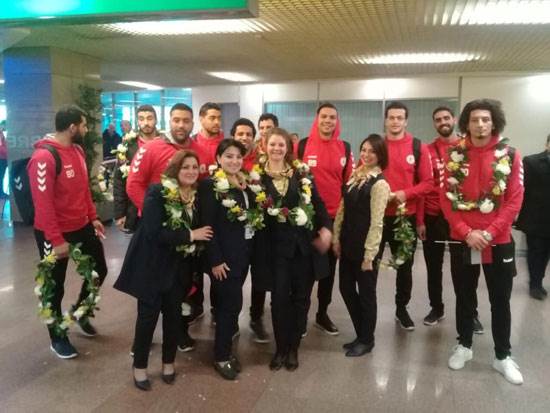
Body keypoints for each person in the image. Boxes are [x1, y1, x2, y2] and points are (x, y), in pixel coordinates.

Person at [114, 150, 213, 390]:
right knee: (147, 318)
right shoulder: (157, 192)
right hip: (153, 266)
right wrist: (191, 235)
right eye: (185, 167)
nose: (190, 171)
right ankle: (140, 367)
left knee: (173, 317)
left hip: (179, 268)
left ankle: (168, 363)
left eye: (194, 167)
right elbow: (153, 232)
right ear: (175, 169)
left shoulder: (196, 196)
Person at [441, 99, 524, 385]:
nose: (480, 125)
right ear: (466, 123)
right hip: (464, 239)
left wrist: (489, 232)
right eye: (474, 119)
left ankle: (503, 356)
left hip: (498, 241)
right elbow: (445, 199)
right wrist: (466, 232)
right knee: (464, 296)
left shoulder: (510, 155)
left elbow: (514, 200)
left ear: (494, 122)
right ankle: (464, 345)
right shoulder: (453, 154)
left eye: (485, 119)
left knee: (500, 299)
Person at [29, 104, 108, 359]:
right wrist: (56, 240)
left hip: (81, 226)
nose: (86, 129)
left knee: (99, 270)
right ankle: (57, 337)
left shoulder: (77, 150)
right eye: (84, 125)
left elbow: (83, 188)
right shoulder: (44, 157)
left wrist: (93, 217)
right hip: (54, 233)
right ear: (72, 127)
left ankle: (81, 313)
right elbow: (42, 205)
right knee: (54, 286)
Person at [257, 127, 332, 371]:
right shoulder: (257, 178)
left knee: (301, 299)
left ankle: (293, 349)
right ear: (264, 146)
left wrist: (327, 228)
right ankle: (280, 348)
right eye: (273, 144)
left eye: (282, 144)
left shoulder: (301, 174)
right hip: (274, 251)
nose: (277, 148)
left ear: (288, 148)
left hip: (303, 249)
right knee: (279, 300)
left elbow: (318, 204)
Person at [416, 107, 484, 333]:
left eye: (446, 118)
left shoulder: (469, 147)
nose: (443, 122)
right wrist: (420, 220)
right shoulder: (427, 150)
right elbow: (423, 186)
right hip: (433, 216)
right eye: (438, 120)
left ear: (454, 119)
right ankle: (436, 308)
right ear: (434, 123)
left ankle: (470, 313)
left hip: (462, 219)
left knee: (465, 269)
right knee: (433, 267)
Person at [198, 139, 260, 380]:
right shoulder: (211, 185)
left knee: (233, 305)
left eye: (238, 157)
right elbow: (207, 225)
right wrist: (215, 260)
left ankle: (226, 350)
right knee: (228, 305)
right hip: (223, 258)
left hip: (243, 254)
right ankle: (221, 356)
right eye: (229, 156)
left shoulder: (244, 183)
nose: (234, 161)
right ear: (218, 158)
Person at [296, 102, 353, 335]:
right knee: (304, 270)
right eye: (324, 116)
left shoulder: (345, 148)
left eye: (332, 117)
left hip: (333, 219)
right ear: (317, 119)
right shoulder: (302, 146)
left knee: (328, 272)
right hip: (306, 218)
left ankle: (322, 314)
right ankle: (300, 316)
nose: (328, 121)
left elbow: (348, 185)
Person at [376, 101, 433, 331]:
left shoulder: (418, 147)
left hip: (405, 218)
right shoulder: (377, 145)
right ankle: (368, 309)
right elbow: (363, 175)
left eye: (400, 118)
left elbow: (427, 183)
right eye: (391, 117)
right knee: (370, 263)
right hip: (377, 217)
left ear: (406, 121)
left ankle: (401, 309)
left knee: (404, 266)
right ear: (385, 120)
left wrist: (405, 194)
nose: (395, 121)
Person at [333, 134, 390, 357]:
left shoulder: (380, 184)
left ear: (380, 155)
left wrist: (370, 255)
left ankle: (367, 339)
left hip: (366, 248)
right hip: (348, 242)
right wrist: (336, 238)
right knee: (345, 288)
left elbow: (377, 222)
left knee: (366, 294)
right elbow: (342, 209)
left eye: (372, 151)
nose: (366, 154)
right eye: (364, 150)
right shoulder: (356, 176)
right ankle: (361, 333)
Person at [231, 118, 270, 343]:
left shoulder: (262, 161)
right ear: (233, 136)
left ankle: (256, 317)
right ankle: (229, 318)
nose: (244, 137)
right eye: (240, 134)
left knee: (260, 274)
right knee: (235, 275)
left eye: (248, 134)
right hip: (235, 229)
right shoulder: (229, 158)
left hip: (260, 228)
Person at [113, 105, 160, 233]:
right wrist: (120, 213)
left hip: (161, 205)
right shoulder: (128, 146)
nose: (146, 123)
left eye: (149, 118)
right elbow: (119, 181)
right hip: (136, 209)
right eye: (141, 119)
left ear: (156, 120)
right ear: (137, 121)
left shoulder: (165, 142)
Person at [516, 134, 550, 300]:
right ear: (547, 144)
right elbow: (521, 189)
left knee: (546, 254)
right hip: (536, 218)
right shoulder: (531, 162)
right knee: (536, 253)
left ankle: (538, 280)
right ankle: (535, 285)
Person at [0, 120, 7, 198]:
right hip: (1, 158)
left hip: (2, 158)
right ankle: (1, 193)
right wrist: (8, 153)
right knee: (1, 176)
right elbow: (0, 147)